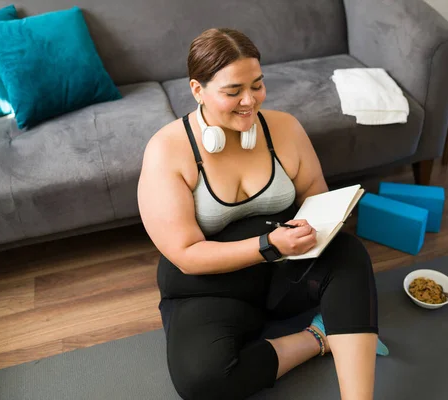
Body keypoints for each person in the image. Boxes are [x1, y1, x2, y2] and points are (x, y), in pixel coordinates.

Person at [137, 28, 387, 400]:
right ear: (197, 90)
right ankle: (318, 337)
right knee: (203, 381)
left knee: (349, 253)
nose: (249, 101)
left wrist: (315, 223)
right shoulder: (166, 151)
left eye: (256, 85)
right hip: (208, 287)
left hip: (283, 270)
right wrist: (269, 245)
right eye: (233, 91)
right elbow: (186, 255)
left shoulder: (284, 128)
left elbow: (314, 195)